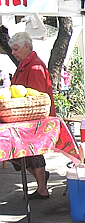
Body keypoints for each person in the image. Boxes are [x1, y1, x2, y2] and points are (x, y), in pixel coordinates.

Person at [8, 32, 56, 200]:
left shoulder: (35, 66)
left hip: (35, 119)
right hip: (24, 118)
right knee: (19, 154)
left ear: (26, 47)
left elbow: (35, 97)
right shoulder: (24, 64)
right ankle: (41, 179)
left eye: (15, 49)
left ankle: (42, 188)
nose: (13, 53)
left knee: (33, 152)